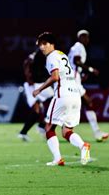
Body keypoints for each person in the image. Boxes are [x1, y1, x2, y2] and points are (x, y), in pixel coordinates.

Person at [32, 32, 91, 166]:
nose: (42, 47)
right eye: (40, 44)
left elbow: (55, 77)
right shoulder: (61, 54)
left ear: (52, 44)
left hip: (62, 95)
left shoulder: (51, 57)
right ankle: (83, 146)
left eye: (44, 44)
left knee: (49, 128)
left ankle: (57, 158)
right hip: (75, 95)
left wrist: (39, 89)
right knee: (66, 131)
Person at [68, 29, 109, 142]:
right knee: (88, 103)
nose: (86, 39)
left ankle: (49, 127)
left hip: (73, 79)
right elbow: (76, 61)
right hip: (73, 80)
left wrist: (82, 73)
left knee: (71, 106)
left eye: (87, 37)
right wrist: (90, 69)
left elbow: (75, 64)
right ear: (79, 37)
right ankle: (97, 133)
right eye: (84, 36)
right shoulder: (78, 47)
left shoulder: (76, 47)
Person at [18, 48, 53, 142]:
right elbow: (27, 65)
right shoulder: (34, 57)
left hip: (39, 84)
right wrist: (29, 79)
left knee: (52, 101)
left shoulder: (46, 57)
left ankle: (27, 131)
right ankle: (38, 127)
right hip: (33, 85)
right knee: (38, 110)